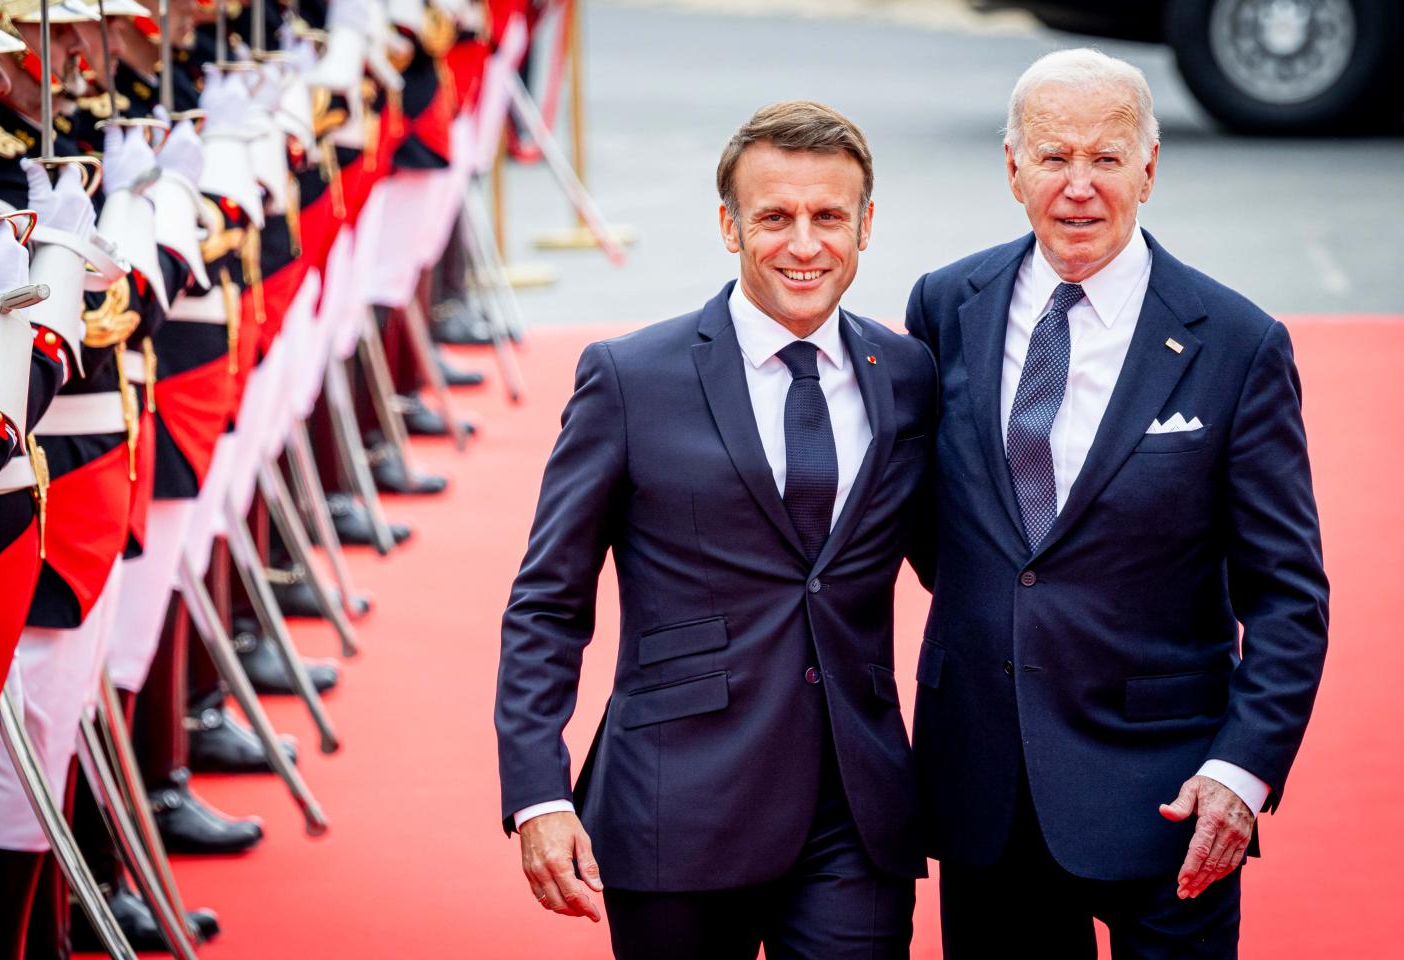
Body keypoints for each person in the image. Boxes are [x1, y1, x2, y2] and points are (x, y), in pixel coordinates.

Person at [904, 48, 1329, 957]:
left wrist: (1242, 770)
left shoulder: (1238, 343)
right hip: (986, 785)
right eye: (1055, 158)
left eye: (1106, 157)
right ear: (1013, 168)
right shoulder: (945, 306)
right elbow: (945, 532)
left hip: (1170, 794)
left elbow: (1289, 596)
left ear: (1150, 166)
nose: (1079, 187)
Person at [496, 100, 935, 959]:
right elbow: (548, 600)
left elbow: (968, 565)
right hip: (676, 808)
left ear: (866, 224)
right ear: (729, 226)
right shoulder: (629, 378)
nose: (804, 244)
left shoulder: (909, 374)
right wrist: (537, 793)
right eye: (774, 217)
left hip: (856, 807)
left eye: (828, 217)